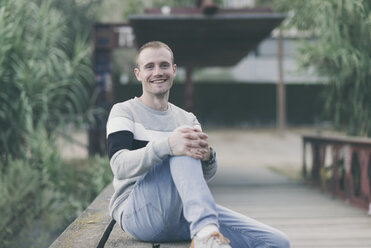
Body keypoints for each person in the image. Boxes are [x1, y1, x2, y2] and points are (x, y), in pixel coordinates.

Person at [106, 41, 290, 248]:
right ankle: (206, 233)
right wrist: (168, 145)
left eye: (164, 65)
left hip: (182, 214)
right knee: (183, 140)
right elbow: (119, 165)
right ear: (138, 74)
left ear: (174, 71)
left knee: (276, 242)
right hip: (137, 213)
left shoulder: (187, 118)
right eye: (150, 66)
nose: (158, 72)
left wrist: (207, 157)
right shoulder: (124, 111)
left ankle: (205, 233)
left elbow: (198, 177)